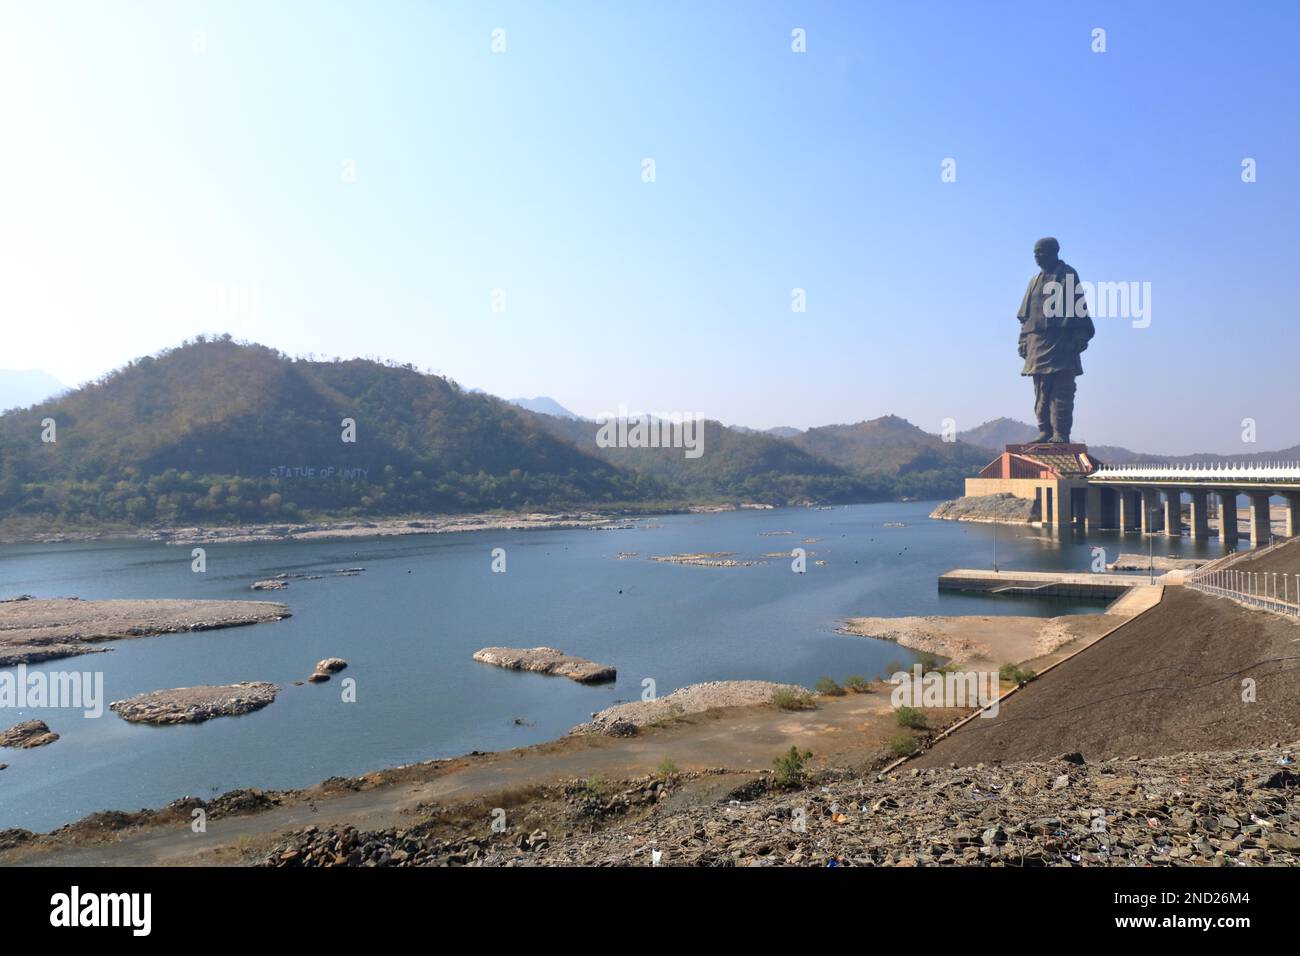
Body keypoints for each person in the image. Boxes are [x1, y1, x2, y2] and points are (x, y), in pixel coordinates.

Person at [1017, 237, 1095, 443]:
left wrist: (1079, 333)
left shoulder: (1067, 274)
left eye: (1041, 252)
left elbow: (1079, 307)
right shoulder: (1033, 281)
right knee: (1041, 390)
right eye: (1035, 253)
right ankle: (1045, 430)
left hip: (1061, 341)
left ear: (1054, 251)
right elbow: (1025, 317)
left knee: (1062, 389)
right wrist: (1023, 340)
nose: (1037, 256)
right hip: (1037, 343)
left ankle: (1061, 433)